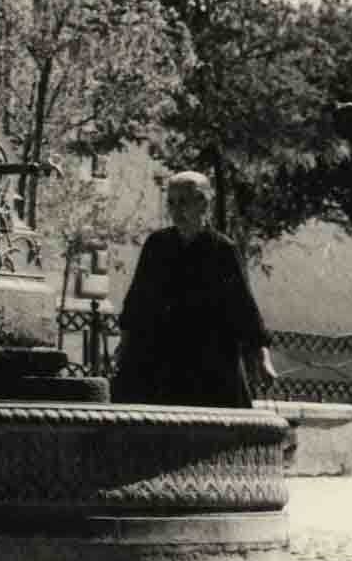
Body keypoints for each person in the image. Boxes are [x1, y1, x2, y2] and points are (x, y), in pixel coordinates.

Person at [111, 172, 277, 409]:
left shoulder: (222, 249)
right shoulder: (157, 245)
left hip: (207, 358)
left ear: (203, 204)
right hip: (159, 356)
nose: (176, 210)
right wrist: (124, 345)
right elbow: (137, 300)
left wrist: (262, 358)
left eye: (183, 202)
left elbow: (243, 306)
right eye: (171, 202)